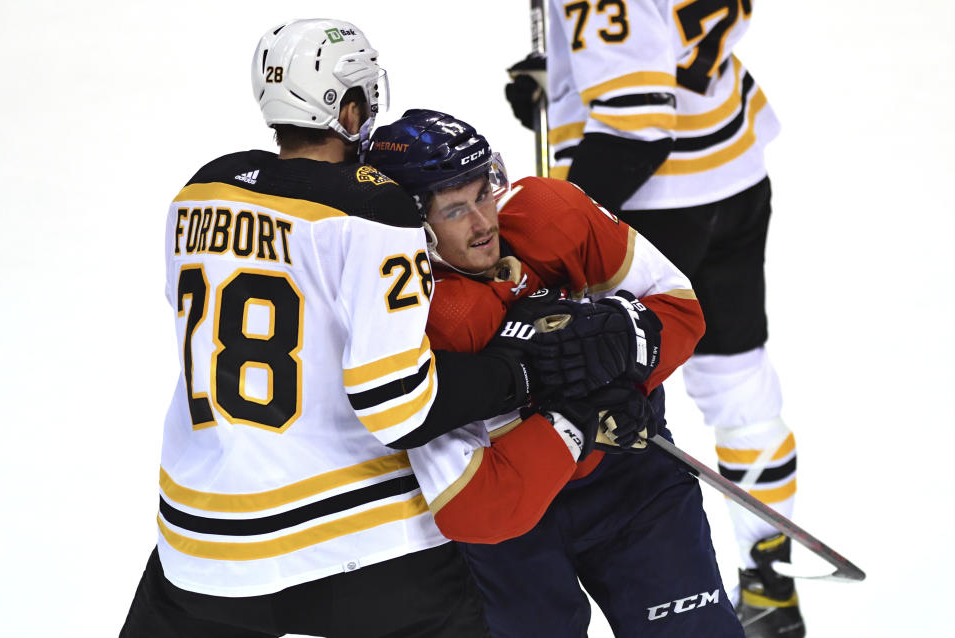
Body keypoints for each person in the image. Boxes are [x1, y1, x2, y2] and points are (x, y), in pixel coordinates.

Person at [119, 19, 627, 638]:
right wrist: (526, 371)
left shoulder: (197, 191)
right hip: (361, 549)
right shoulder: (375, 207)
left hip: (205, 549)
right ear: (350, 107)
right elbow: (397, 405)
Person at [366, 109, 744, 637]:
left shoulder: (551, 212)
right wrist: (582, 412)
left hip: (632, 478)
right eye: (456, 210)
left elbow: (681, 309)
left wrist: (618, 339)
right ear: (413, 223)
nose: (483, 223)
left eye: (483, 192)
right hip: (515, 533)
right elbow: (472, 508)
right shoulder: (407, 317)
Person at [505, 3, 804, 636]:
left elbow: (635, 125)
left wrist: (554, 232)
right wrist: (568, 77)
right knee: (737, 376)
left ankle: (647, 583)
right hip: (733, 172)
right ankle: (769, 578)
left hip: (655, 205)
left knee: (597, 387)